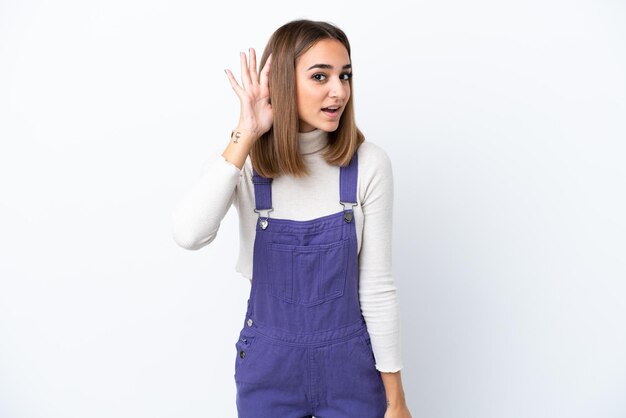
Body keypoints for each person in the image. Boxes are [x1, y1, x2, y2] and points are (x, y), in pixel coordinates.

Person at [172, 19, 413, 418]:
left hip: (351, 372)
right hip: (270, 371)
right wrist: (245, 133)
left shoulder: (368, 164)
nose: (339, 91)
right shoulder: (246, 165)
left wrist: (396, 401)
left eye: (345, 75)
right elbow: (188, 234)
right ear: (282, 82)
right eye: (321, 76)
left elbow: (377, 288)